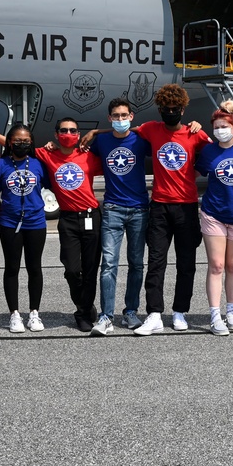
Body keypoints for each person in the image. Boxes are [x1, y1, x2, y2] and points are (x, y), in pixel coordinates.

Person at [133, 84, 210, 336]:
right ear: (159, 109)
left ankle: (180, 311)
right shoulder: (151, 129)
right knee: (156, 261)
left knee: (186, 263)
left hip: (187, 206)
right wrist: (93, 134)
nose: (170, 112)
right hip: (160, 206)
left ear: (183, 109)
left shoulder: (194, 134)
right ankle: (154, 313)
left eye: (175, 109)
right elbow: (122, 132)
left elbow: (218, 145)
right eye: (165, 109)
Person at [35, 118, 104, 334]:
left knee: (91, 268)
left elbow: (129, 133)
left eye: (73, 130)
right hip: (68, 219)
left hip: (91, 216)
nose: (68, 133)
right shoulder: (47, 154)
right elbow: (15, 143)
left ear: (78, 134)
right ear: (56, 135)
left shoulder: (88, 156)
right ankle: (83, 304)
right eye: (63, 130)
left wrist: (96, 131)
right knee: (73, 269)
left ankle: (82, 313)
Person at [89, 98, 150, 334]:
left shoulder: (141, 139)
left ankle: (131, 311)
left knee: (136, 264)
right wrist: (94, 132)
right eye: (116, 116)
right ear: (109, 118)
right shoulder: (101, 141)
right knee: (109, 265)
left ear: (132, 117)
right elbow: (81, 153)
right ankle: (106, 316)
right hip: (113, 208)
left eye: (124, 116)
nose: (121, 120)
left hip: (139, 209)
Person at [195, 100, 233, 336]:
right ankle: (215, 315)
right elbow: (194, 172)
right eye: (216, 127)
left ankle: (231, 311)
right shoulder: (209, 150)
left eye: (224, 126)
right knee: (217, 265)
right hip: (214, 213)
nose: (220, 130)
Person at [0, 124, 48, 334]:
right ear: (9, 142)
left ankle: (34, 313)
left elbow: (48, 186)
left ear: (31, 143)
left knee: (35, 268)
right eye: (17, 141)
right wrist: (3, 213)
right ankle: (14, 313)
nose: (22, 144)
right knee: (12, 268)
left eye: (26, 141)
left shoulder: (39, 164)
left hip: (36, 222)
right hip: (10, 223)